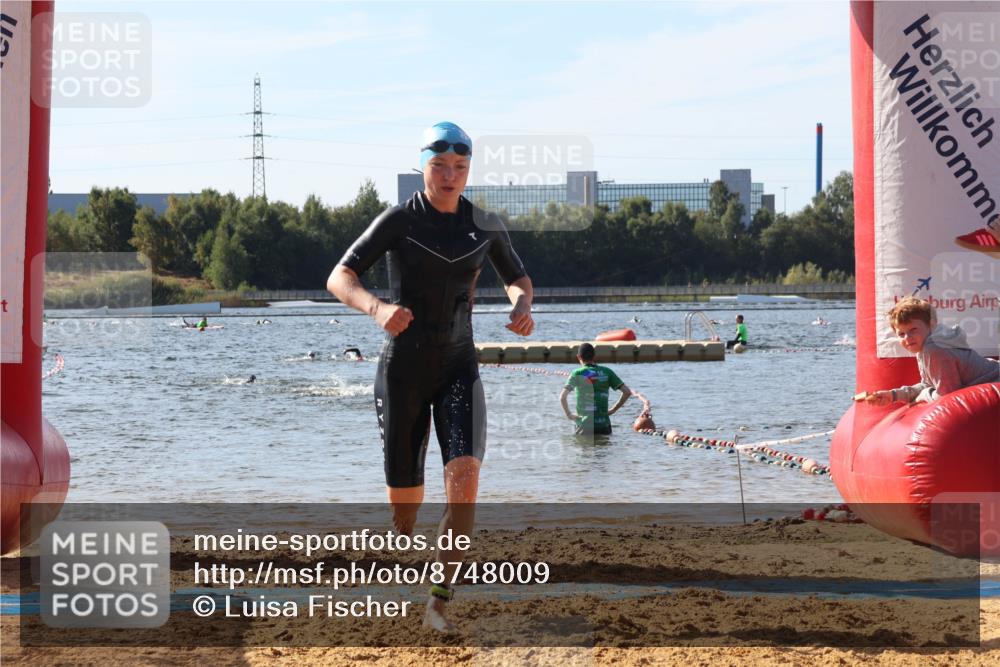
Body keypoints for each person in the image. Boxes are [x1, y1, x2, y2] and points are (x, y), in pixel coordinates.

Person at [326, 121, 534, 632]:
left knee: (464, 483)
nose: (450, 175)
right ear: (423, 167)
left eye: (460, 167)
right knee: (405, 513)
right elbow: (339, 277)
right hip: (404, 372)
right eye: (440, 166)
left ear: (469, 170)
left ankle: (437, 603)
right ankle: (402, 527)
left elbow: (518, 278)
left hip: (459, 365)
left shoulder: (484, 225)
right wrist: (377, 308)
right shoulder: (399, 220)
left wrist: (522, 306)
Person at [861, 296, 999, 405]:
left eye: (913, 330)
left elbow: (948, 397)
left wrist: (923, 396)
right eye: (901, 334)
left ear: (931, 324)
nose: (907, 338)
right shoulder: (924, 346)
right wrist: (894, 395)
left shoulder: (934, 349)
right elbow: (928, 384)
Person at [559, 343, 632, 436]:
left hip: (584, 425)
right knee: (603, 448)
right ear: (594, 356)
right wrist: (613, 410)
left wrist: (569, 414)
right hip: (604, 424)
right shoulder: (607, 371)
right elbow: (627, 392)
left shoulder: (577, 373)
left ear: (579, 357)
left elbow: (562, 397)